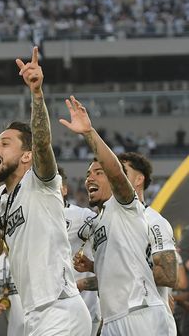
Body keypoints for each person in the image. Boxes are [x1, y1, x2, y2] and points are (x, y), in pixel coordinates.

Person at [0, 47, 91, 335]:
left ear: (27, 155)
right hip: (34, 312)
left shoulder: (41, 182)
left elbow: (44, 144)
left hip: (60, 309)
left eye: (5, 143)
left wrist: (36, 94)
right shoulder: (1, 199)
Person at [61, 96, 173, 335]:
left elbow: (170, 276)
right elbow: (116, 274)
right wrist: (92, 267)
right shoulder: (99, 220)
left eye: (98, 172)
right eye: (88, 174)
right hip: (113, 318)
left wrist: (89, 133)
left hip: (140, 314)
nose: (89, 178)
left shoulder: (125, 205)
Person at [118, 151, 177, 334]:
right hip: (121, 321)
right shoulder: (110, 222)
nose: (115, 177)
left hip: (151, 324)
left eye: (122, 172)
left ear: (139, 180)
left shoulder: (153, 221)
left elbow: (168, 275)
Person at [58, 167, 102, 336]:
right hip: (52, 308)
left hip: (85, 308)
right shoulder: (34, 220)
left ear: (64, 189)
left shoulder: (83, 216)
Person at [0, 253, 24, 336]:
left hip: (40, 327)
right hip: (16, 330)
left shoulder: (32, 253)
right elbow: (8, 292)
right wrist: (1, 302)